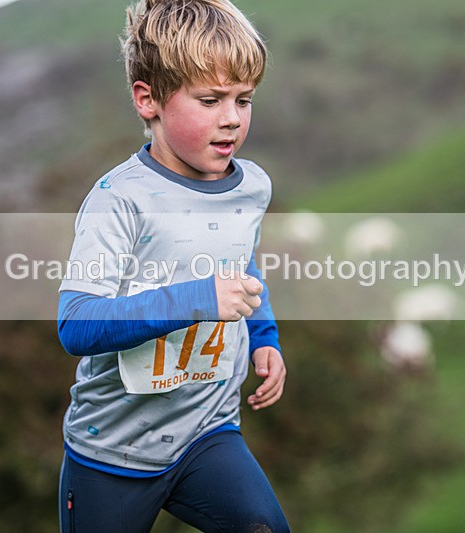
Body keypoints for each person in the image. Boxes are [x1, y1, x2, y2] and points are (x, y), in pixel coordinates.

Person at [55, 0, 289, 531]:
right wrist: (199, 299)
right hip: (112, 453)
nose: (231, 118)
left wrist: (265, 337)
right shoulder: (118, 199)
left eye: (244, 99)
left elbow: (243, 264)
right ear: (148, 100)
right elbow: (77, 324)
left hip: (209, 433)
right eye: (209, 100)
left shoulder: (251, 185)